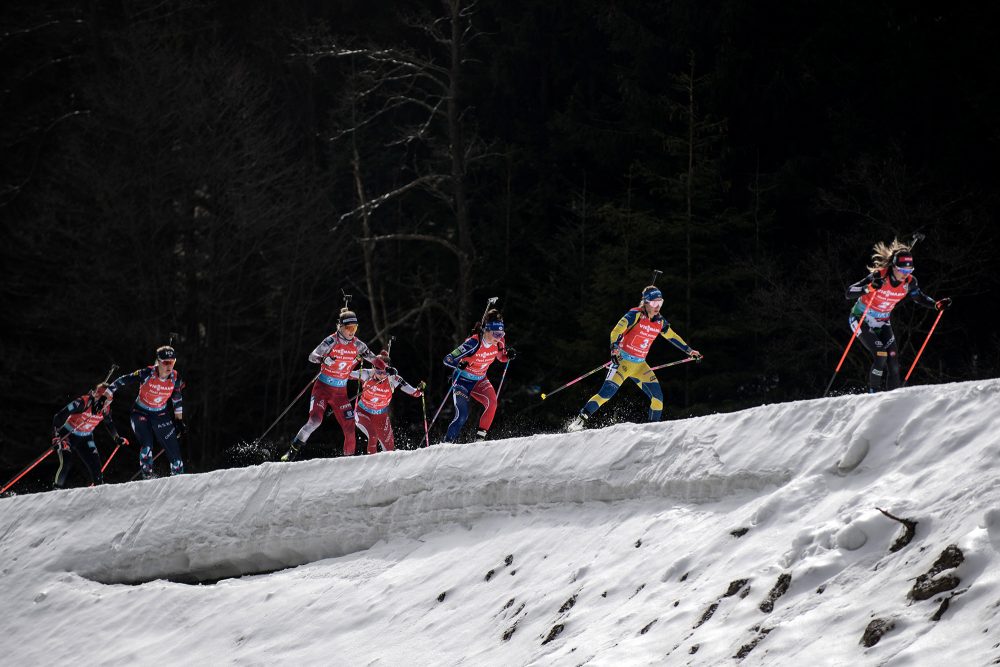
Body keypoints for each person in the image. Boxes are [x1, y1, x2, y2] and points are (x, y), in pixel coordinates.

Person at [568, 286, 701, 432]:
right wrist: (615, 349)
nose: (658, 307)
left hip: (640, 366)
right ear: (646, 302)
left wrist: (689, 350)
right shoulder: (635, 315)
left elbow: (672, 336)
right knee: (606, 394)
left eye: (660, 303)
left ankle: (652, 431)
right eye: (654, 303)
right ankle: (579, 420)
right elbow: (616, 331)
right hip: (622, 363)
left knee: (658, 399)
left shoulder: (660, 322)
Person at [845, 239, 951, 392]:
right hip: (861, 318)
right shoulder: (879, 276)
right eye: (902, 270)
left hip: (882, 322)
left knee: (893, 361)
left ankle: (892, 398)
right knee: (880, 355)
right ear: (894, 267)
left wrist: (936, 305)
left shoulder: (910, 282)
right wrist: (869, 288)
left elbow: (919, 297)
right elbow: (849, 292)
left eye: (909, 271)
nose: (905, 274)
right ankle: (872, 395)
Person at [281, 308, 377, 461]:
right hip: (323, 389)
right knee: (315, 421)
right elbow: (312, 356)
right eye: (349, 328)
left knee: (350, 426)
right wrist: (323, 359)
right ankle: (292, 451)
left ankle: (348, 461)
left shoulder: (358, 345)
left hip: (340, 393)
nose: (352, 332)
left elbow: (374, 359)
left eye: (355, 328)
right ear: (340, 327)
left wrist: (386, 369)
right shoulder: (331, 341)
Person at [104, 345, 185, 479]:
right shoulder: (147, 373)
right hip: (141, 413)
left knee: (176, 456)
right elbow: (122, 380)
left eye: (172, 362)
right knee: (147, 446)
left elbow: (177, 399)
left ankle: (179, 480)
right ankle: (147, 476)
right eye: (165, 362)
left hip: (161, 415)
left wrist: (179, 421)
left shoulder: (175, 378)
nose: (169, 366)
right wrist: (106, 394)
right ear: (158, 362)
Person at [441, 309, 516, 443]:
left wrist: (507, 356)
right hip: (462, 381)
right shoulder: (473, 343)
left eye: (501, 334)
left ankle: (479, 440)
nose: (499, 337)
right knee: (462, 415)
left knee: (492, 403)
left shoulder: (499, 342)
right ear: (487, 330)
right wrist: (458, 364)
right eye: (496, 334)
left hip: (480, 380)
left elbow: (501, 357)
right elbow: (448, 359)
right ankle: (446, 444)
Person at [51, 382, 129, 488]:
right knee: (67, 463)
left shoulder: (106, 408)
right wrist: (56, 437)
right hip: (68, 435)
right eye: (103, 400)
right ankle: (57, 490)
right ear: (96, 395)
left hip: (86, 438)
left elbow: (109, 423)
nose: (105, 404)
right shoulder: (82, 402)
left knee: (96, 466)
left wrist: (116, 437)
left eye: (108, 401)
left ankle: (98, 491)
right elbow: (59, 416)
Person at [351, 351, 424, 454]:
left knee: (389, 448)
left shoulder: (393, 379)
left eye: (384, 372)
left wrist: (420, 390)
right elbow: (346, 373)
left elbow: (414, 392)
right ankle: (371, 466)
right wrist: (357, 359)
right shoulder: (366, 374)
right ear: (373, 367)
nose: (381, 375)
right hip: (363, 412)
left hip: (381, 416)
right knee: (373, 436)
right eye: (379, 372)